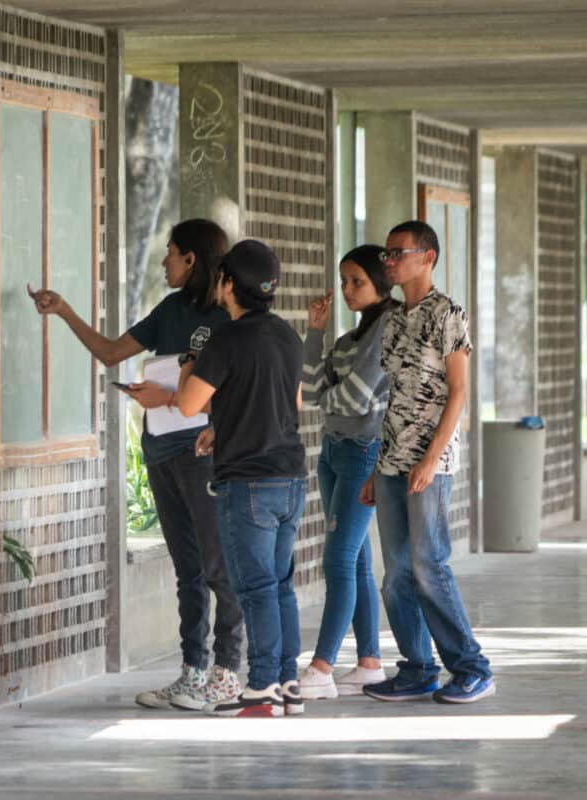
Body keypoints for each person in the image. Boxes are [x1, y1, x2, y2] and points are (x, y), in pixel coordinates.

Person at [29, 219, 244, 711]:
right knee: (188, 567)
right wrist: (62, 310)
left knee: (216, 565)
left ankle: (227, 673)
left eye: (170, 253)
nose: (164, 262)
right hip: (161, 449)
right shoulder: (171, 309)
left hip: (204, 450)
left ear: (191, 259)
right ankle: (192, 671)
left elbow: (236, 397)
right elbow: (109, 352)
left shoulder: (229, 317)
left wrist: (170, 397)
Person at [359, 220, 495, 704]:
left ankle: (471, 665)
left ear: (428, 257)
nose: (389, 261)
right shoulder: (392, 319)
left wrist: (431, 459)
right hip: (392, 458)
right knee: (395, 571)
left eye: (398, 253)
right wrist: (379, 466)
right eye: (387, 255)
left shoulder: (448, 313)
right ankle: (417, 668)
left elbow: (458, 392)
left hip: (430, 462)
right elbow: (392, 397)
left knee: (428, 564)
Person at [174, 239, 307, 718]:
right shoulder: (287, 336)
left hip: (247, 482)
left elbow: (188, 401)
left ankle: (262, 685)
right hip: (291, 478)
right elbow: (286, 406)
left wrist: (190, 361)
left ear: (229, 284)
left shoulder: (226, 339)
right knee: (280, 584)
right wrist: (222, 425)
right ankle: (288, 683)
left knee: (254, 588)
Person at [296, 245, 396, 700]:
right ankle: (370, 662)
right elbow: (311, 389)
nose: (347, 289)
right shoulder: (349, 340)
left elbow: (352, 399)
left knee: (337, 559)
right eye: (344, 281)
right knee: (353, 558)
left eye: (357, 280)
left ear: (381, 280)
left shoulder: (388, 328)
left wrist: (333, 392)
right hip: (334, 450)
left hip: (363, 451)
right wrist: (315, 334)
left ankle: (321, 666)